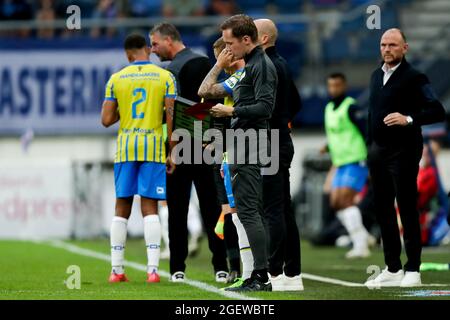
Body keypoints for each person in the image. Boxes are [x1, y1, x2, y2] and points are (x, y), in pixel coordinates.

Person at [364, 28, 446, 288]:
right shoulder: (376, 75)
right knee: (383, 209)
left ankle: (413, 268)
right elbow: (371, 114)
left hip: (404, 151)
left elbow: (437, 110)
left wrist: (408, 119)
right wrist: (370, 146)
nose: (387, 49)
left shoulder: (415, 76)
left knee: (407, 207)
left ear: (404, 48)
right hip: (378, 151)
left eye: (392, 45)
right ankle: (392, 267)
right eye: (383, 44)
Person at [149, 23, 228, 283]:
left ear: (169, 40)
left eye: (155, 44)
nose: (153, 49)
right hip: (205, 145)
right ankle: (221, 266)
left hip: (179, 148)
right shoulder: (204, 62)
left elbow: (173, 112)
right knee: (212, 207)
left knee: (178, 209)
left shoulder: (171, 71)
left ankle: (177, 269)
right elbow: (210, 105)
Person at [101, 33, 176, 283]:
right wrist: (173, 149)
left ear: (127, 54)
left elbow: (106, 120)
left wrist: (127, 108)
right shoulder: (165, 77)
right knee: (150, 207)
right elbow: (170, 115)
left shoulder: (116, 79)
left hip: (126, 148)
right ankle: (153, 270)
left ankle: (116, 270)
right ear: (147, 49)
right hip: (153, 147)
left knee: (121, 206)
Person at [210, 14, 278, 292]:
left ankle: (261, 276)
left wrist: (232, 110)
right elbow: (207, 91)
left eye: (230, 43)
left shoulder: (262, 66)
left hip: (250, 141)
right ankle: (255, 275)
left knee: (249, 212)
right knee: (246, 211)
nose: (228, 50)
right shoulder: (250, 66)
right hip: (241, 141)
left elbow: (266, 108)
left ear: (246, 40)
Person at [198, 37, 254, 286]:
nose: (216, 61)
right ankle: (237, 268)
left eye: (219, 56)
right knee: (229, 213)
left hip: (244, 154)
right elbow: (207, 111)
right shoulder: (228, 83)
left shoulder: (243, 76)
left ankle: (260, 268)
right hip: (224, 156)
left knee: (244, 213)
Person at [253, 19, 303, 291]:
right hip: (279, 139)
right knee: (283, 207)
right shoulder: (281, 63)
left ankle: (273, 274)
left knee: (272, 210)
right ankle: (292, 274)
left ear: (262, 39)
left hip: (269, 141)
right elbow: (295, 102)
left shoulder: (264, 66)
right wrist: (285, 122)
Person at [320, 72, 372, 259]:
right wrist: (327, 146)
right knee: (335, 203)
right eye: (331, 86)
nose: (334, 89)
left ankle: (360, 244)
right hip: (340, 161)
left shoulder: (351, 107)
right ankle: (364, 236)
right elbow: (338, 133)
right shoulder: (329, 108)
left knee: (345, 201)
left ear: (344, 86)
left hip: (355, 159)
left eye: (337, 85)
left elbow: (365, 131)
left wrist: (371, 157)